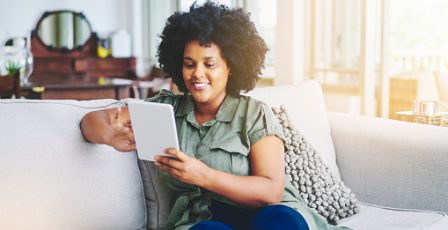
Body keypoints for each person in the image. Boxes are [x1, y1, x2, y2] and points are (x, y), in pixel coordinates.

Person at [80, 2, 348, 230]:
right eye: (189, 64)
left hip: (267, 215)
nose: (197, 74)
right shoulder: (164, 110)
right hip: (207, 218)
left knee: (278, 220)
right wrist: (109, 135)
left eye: (209, 64)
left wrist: (203, 175)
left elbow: (271, 192)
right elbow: (91, 121)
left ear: (231, 67)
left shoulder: (253, 114)